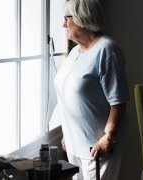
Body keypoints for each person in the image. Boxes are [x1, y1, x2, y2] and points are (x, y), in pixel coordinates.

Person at [53, 0, 130, 179]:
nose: (63, 24)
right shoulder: (75, 52)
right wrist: (67, 135)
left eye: (67, 18)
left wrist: (108, 138)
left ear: (81, 18)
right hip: (73, 146)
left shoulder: (107, 50)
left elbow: (118, 101)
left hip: (96, 148)